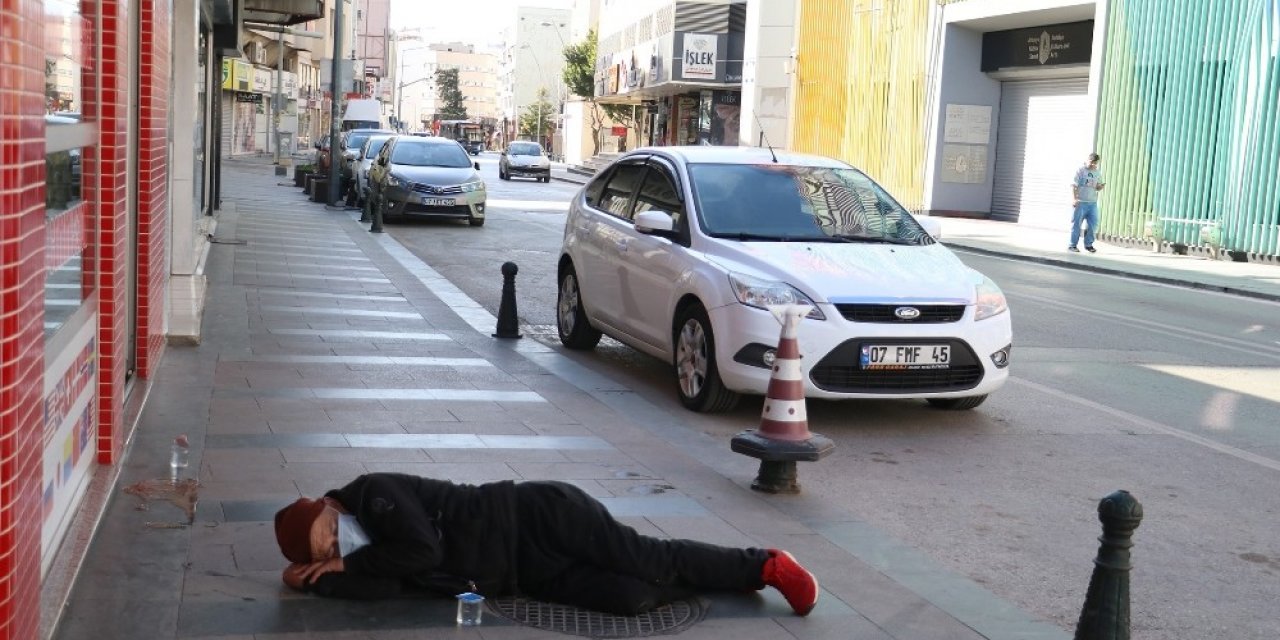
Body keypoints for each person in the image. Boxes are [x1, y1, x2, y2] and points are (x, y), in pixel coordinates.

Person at [274, 472, 819, 617]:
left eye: (326, 536)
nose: (332, 548)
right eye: (321, 553)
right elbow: (387, 585)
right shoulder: (364, 549)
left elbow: (423, 553)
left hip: (539, 515)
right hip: (526, 574)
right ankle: (707, 579)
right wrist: (323, 585)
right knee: (633, 600)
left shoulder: (375, 495)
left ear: (324, 505)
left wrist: (346, 558)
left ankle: (765, 566)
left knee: (648, 558)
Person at [1069, 153, 1106, 253]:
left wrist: (1100, 187)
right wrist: (1074, 199)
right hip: (1081, 202)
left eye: (1095, 163)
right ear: (1087, 160)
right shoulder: (1080, 171)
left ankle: (1088, 244)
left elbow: (1097, 186)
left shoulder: (1097, 173)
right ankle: (1072, 245)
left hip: (1092, 203)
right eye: (1091, 162)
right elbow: (1073, 185)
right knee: (1076, 224)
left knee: (1093, 224)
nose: (1093, 165)